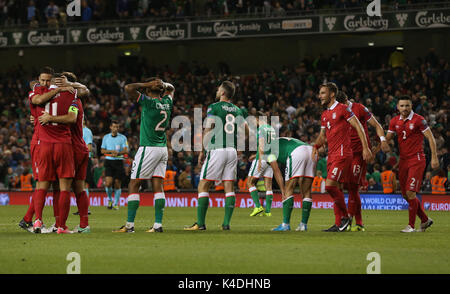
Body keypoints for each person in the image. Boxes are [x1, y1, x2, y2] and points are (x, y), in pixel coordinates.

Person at [113, 77, 174, 233]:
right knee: (158, 185)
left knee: (134, 184)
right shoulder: (167, 102)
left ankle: (129, 226)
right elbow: (171, 88)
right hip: (162, 149)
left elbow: (128, 87)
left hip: (148, 148)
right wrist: (164, 85)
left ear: (147, 91)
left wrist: (148, 84)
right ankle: (158, 225)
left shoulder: (148, 102)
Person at [185, 81, 245, 231]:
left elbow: (208, 128)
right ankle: (226, 223)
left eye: (219, 89)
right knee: (229, 186)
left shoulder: (214, 107)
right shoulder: (238, 110)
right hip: (232, 151)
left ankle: (200, 223)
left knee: (203, 184)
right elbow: (246, 131)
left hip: (217, 149)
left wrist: (202, 150)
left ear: (223, 93)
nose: (217, 91)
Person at [312, 82, 372, 232]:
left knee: (330, 186)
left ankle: (346, 218)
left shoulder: (343, 109)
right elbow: (322, 136)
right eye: (320, 93)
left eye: (323, 93)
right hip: (331, 156)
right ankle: (339, 223)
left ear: (332, 94)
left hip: (343, 154)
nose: (320, 96)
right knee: (336, 188)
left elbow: (358, 127)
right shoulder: (325, 114)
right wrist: (315, 147)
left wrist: (365, 148)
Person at [38, 71, 91, 233]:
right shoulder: (76, 100)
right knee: (79, 188)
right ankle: (83, 224)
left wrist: (49, 118)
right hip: (80, 147)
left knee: (62, 187)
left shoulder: (73, 101)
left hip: (71, 147)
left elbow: (70, 118)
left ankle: (60, 224)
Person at [30, 73, 78, 234]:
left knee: (41, 184)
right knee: (64, 187)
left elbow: (36, 99)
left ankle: (38, 221)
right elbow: (72, 118)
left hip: (43, 144)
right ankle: (61, 226)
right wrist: (66, 86)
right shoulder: (71, 93)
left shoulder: (38, 92)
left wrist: (44, 118)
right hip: (63, 144)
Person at [336, 91, 390, 232]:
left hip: (359, 154)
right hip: (344, 154)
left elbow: (377, 125)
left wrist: (382, 140)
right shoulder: (336, 111)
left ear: (346, 101)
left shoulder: (359, 108)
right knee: (343, 187)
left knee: (353, 187)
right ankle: (357, 223)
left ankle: (349, 221)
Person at [386, 95, 438, 232]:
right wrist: (377, 148)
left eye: (407, 105)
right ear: (397, 107)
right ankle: (425, 220)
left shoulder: (419, 120)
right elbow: (387, 139)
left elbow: (431, 138)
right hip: (403, 161)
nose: (404, 108)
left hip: (417, 159)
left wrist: (434, 157)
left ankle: (411, 226)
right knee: (404, 194)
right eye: (402, 106)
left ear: (411, 106)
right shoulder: (394, 121)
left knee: (410, 192)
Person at [266, 137, 316, 232]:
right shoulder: (279, 140)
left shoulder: (267, 150)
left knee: (289, 188)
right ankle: (303, 225)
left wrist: (282, 190)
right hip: (311, 150)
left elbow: (276, 171)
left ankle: (285, 224)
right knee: (307, 190)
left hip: (297, 152)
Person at [247, 115, 276, 217]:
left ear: (258, 120)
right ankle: (268, 211)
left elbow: (262, 145)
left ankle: (258, 206)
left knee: (250, 182)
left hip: (262, 159)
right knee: (268, 186)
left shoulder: (261, 129)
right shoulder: (272, 129)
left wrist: (259, 160)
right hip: (271, 159)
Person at [101, 120, 129, 210]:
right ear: (110, 127)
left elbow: (126, 150)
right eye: (114, 127)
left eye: (117, 127)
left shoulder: (123, 138)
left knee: (117, 183)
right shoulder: (106, 137)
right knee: (108, 183)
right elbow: (102, 150)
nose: (116, 128)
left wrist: (118, 153)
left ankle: (116, 203)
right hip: (109, 161)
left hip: (118, 161)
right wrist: (111, 152)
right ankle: (110, 200)